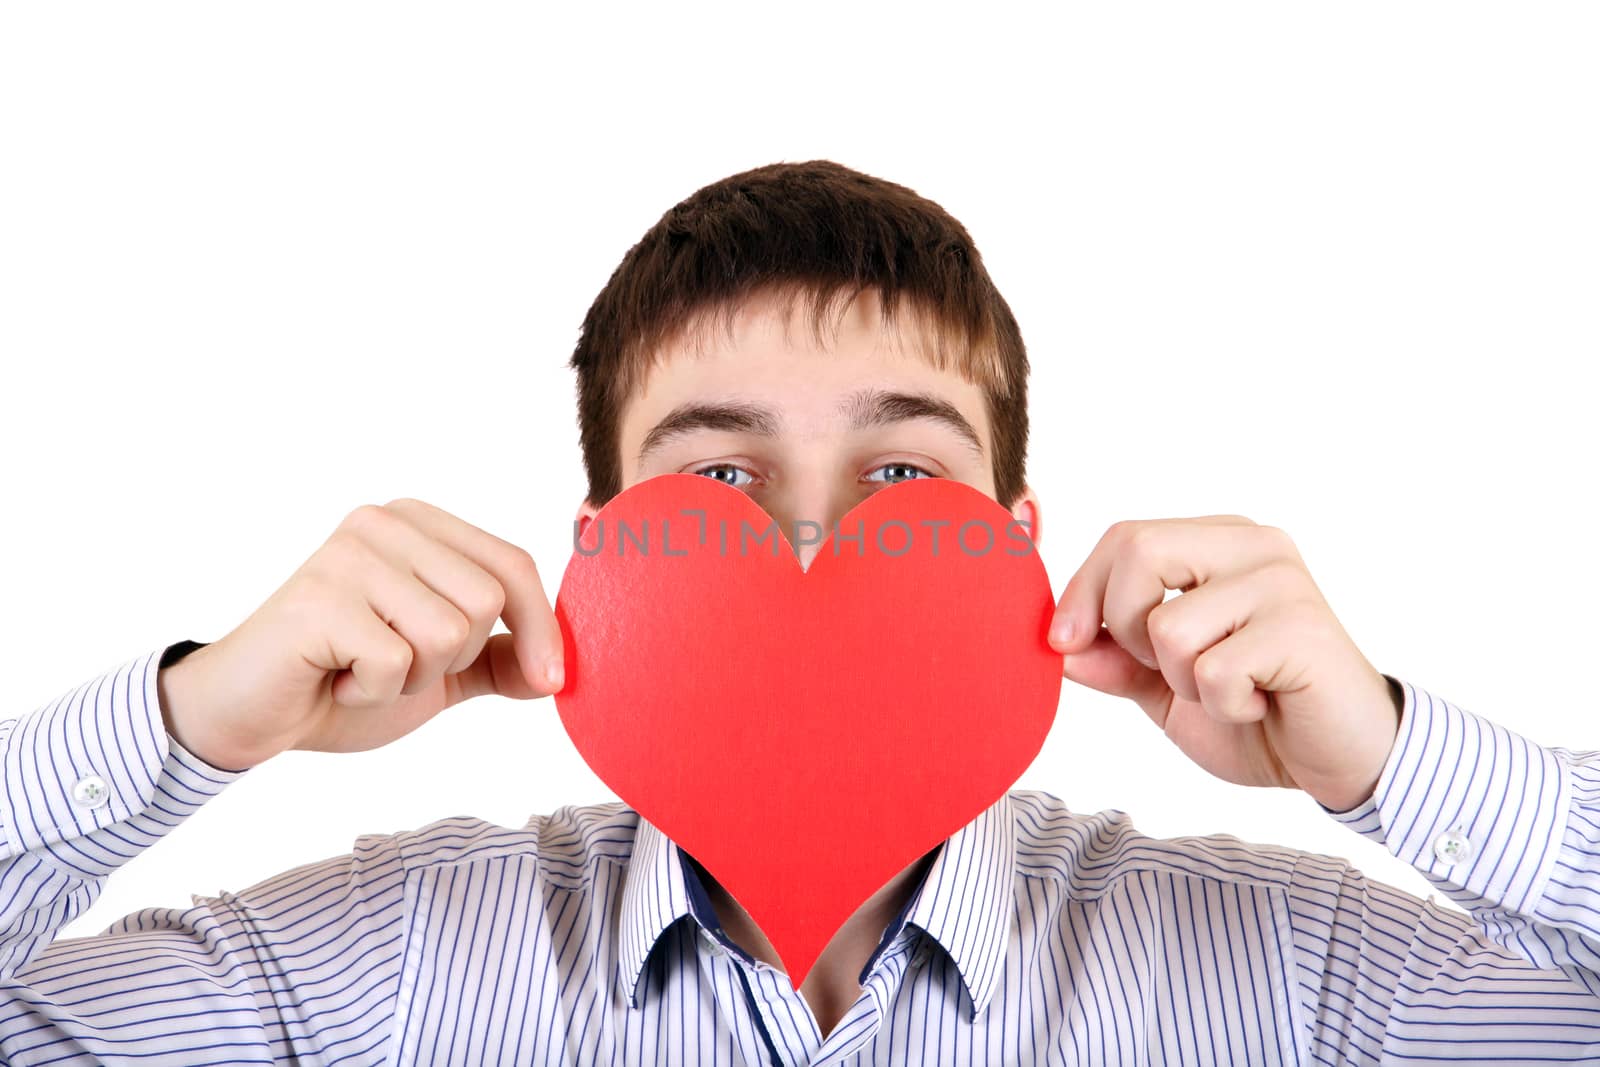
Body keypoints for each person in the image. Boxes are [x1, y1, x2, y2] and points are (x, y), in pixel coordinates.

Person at [1, 161, 1595, 1067]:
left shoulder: (1301, 982)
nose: (814, 540)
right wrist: (191, 720)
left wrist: (1389, 761)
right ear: (594, 556)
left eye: (906, 477)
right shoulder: (378, 970)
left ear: (1021, 543)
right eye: (720, 482)